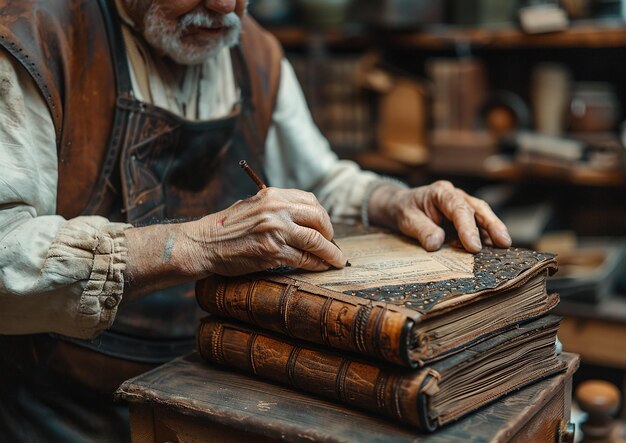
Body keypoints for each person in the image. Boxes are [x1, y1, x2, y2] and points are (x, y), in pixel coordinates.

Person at [0, 0, 512, 441]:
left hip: (220, 384)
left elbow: (321, 181)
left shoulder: (254, 51)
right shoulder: (38, 37)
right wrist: (198, 244)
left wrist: (392, 200)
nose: (225, 6)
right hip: (67, 404)